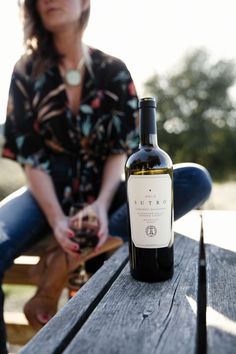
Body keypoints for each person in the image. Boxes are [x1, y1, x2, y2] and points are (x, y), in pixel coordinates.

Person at [0, 0, 212, 352]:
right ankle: (61, 265)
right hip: (46, 191)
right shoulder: (26, 71)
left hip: (108, 187)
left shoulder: (113, 69)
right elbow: (30, 158)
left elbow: (120, 150)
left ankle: (63, 263)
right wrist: (55, 219)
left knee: (195, 179)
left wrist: (100, 205)